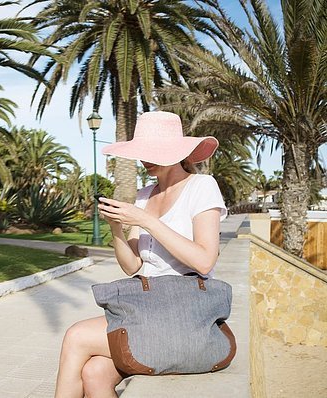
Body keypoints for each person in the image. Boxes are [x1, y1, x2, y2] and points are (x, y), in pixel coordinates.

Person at [54, 111, 228, 398]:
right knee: (94, 372)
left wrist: (146, 220)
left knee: (76, 336)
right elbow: (133, 266)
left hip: (185, 311)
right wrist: (116, 229)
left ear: (176, 152)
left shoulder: (202, 186)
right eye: (141, 151)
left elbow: (204, 260)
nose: (144, 158)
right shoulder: (145, 195)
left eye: (152, 151)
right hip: (149, 306)